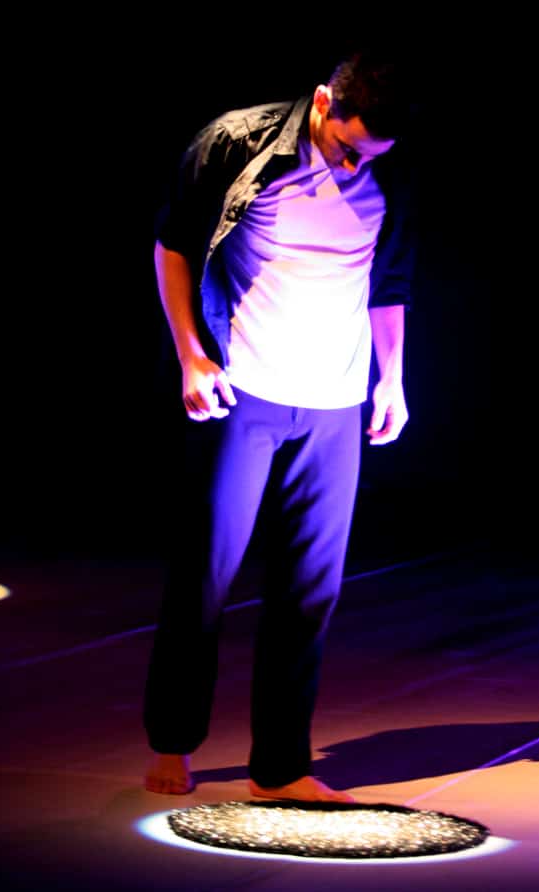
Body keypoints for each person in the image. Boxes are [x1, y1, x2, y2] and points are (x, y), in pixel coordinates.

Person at [143, 49, 417, 802]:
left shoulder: (390, 171)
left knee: (309, 592)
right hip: (245, 391)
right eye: (348, 147)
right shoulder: (239, 142)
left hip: (334, 404)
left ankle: (282, 765)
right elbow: (173, 245)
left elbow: (388, 280)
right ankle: (173, 738)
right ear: (323, 101)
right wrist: (191, 355)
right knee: (206, 576)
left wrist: (392, 379)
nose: (357, 165)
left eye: (372, 156)